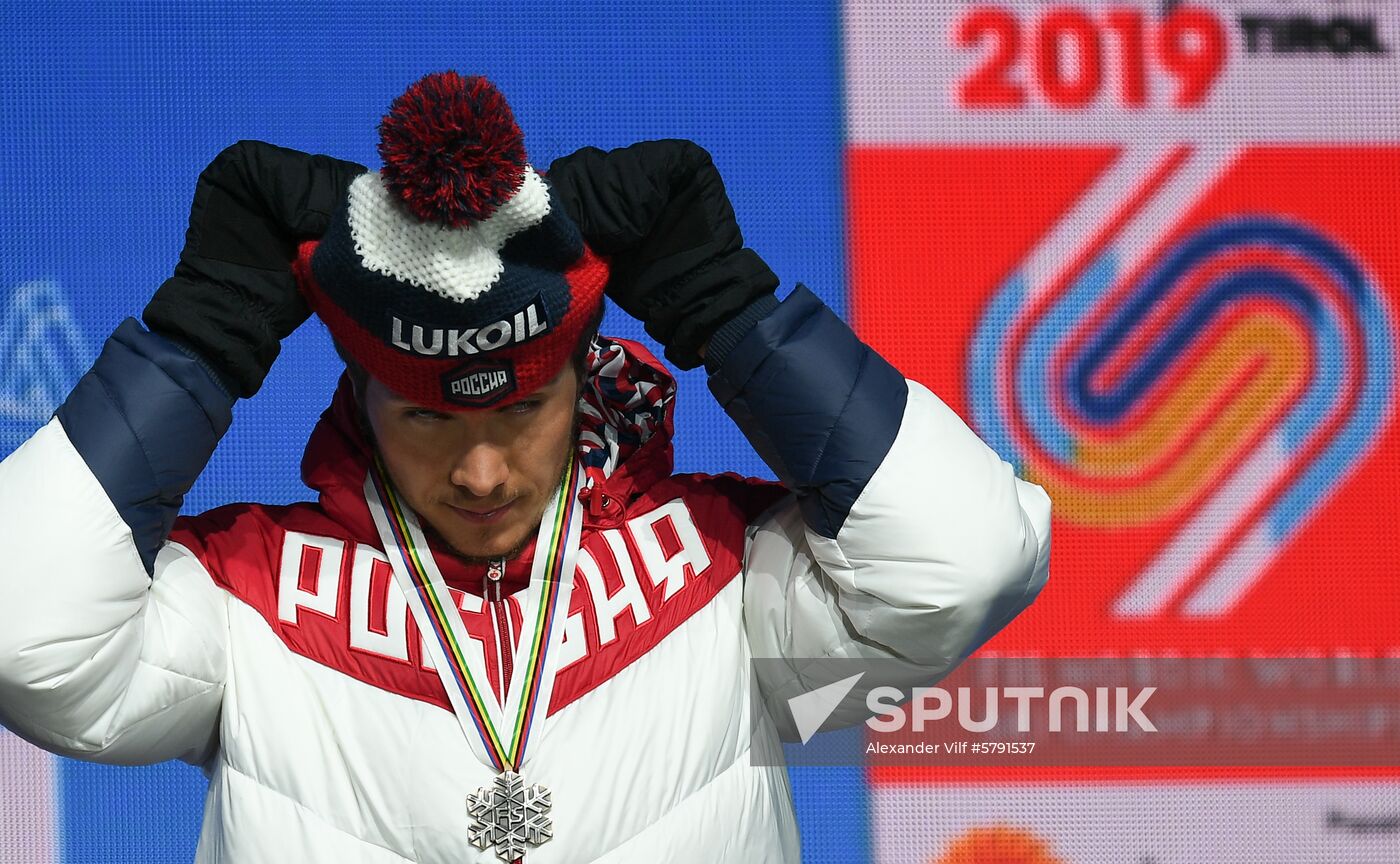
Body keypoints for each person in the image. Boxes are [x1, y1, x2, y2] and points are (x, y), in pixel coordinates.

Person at [0, 72, 1050, 863]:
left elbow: (961, 561)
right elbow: (24, 636)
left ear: (580, 377)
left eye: (526, 406)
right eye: (424, 417)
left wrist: (725, 305)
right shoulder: (247, 598)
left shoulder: (724, 575)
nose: (483, 469)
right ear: (360, 394)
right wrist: (202, 336)